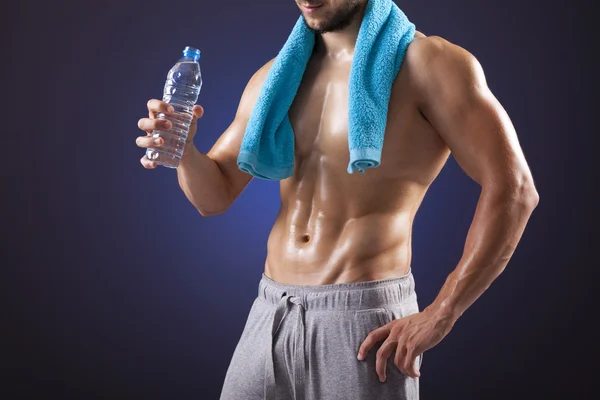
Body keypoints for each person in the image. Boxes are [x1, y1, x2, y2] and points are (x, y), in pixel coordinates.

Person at [136, 1, 539, 398]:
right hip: (271, 311)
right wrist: (184, 150)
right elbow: (215, 194)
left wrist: (444, 311)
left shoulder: (429, 64)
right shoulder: (275, 79)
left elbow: (515, 189)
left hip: (362, 323)